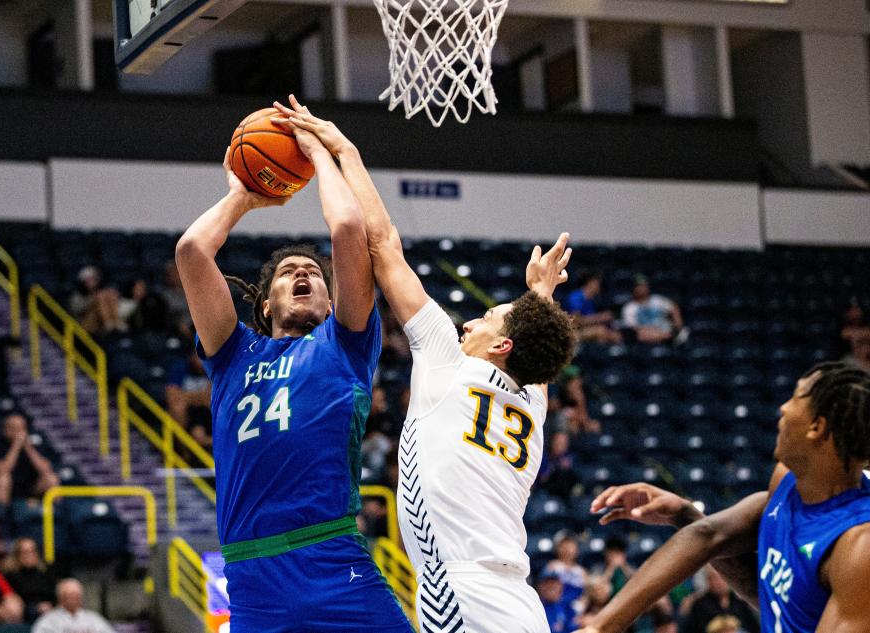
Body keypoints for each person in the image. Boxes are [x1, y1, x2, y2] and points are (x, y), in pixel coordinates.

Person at [273, 95, 576, 633]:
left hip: (460, 589)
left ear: (501, 347)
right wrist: (540, 295)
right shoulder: (533, 400)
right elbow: (538, 344)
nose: (468, 325)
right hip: (517, 598)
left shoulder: (447, 363)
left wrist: (345, 149)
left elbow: (383, 242)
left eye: (484, 318)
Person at [174, 110, 411, 630]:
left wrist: (318, 153)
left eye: (314, 273)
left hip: (332, 557)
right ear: (264, 305)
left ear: (331, 302)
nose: (304, 271)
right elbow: (192, 252)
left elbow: (348, 227)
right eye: (288, 272)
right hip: (253, 576)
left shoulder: (344, 343)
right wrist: (244, 196)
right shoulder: (233, 353)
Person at [576, 361, 870, 633]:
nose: (783, 407)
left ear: (817, 427)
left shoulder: (867, 546)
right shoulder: (788, 482)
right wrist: (599, 627)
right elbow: (710, 536)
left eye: (796, 397)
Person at [0, 413, 59, 505]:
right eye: (14, 428)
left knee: (51, 479)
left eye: (21, 428)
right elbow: (3, 469)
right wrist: (16, 445)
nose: (19, 432)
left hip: (32, 487)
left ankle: (56, 515)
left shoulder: (36, 442)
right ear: (5, 429)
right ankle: (1, 514)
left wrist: (28, 447)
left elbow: (45, 469)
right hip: (10, 487)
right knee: (3, 479)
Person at [680, 568, 757, 633]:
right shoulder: (699, 605)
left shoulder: (740, 603)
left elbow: (753, 628)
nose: (720, 582)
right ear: (708, 581)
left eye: (723, 579)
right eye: (715, 578)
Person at [3, 537, 57, 623]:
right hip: (22, 611)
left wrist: (49, 604)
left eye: (33, 551)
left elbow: (53, 595)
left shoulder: (45, 572)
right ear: (17, 555)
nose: (30, 555)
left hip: (46, 610)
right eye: (25, 552)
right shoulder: (10, 575)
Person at [31, 578, 115, 633]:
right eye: (69, 595)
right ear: (60, 598)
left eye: (77, 595)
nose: (73, 599)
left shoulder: (94, 619)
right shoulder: (48, 621)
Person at [562, 269, 621, 345]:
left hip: (585, 330)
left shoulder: (591, 300)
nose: (599, 287)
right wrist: (600, 317)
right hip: (571, 332)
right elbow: (576, 321)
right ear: (591, 283)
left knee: (612, 334)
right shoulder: (576, 297)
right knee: (601, 331)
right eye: (597, 283)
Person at [621, 275, 684, 344]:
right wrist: (659, 333)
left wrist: (677, 325)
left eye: (644, 286)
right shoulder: (629, 307)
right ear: (633, 289)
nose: (642, 288)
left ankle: (669, 337)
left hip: (665, 329)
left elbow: (674, 308)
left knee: (683, 332)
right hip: (648, 335)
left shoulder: (657, 299)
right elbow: (634, 328)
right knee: (640, 335)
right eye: (638, 286)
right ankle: (669, 338)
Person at [543, 533, 588, 606]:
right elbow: (544, 590)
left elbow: (586, 593)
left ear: (576, 549)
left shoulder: (582, 571)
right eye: (563, 546)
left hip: (576, 607)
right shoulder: (552, 566)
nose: (567, 549)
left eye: (570, 545)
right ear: (557, 548)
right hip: (556, 605)